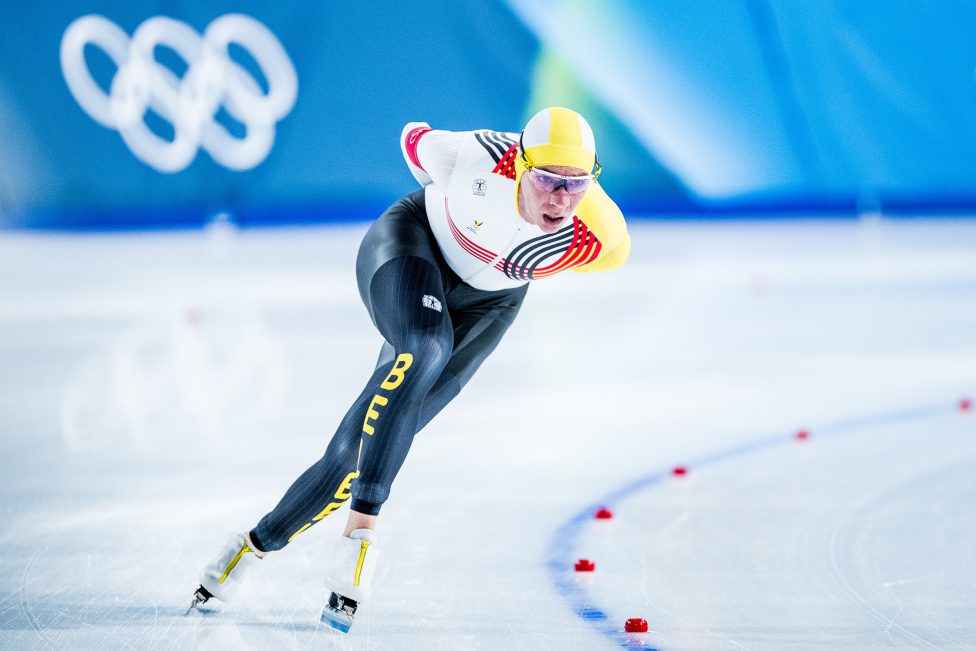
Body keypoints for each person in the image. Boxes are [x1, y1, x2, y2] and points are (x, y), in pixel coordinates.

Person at [185, 106, 630, 631]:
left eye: (576, 184)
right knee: (424, 347)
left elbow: (601, 245)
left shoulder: (600, 235)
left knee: (359, 449)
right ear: (519, 165)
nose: (561, 197)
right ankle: (361, 537)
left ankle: (249, 549)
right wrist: (449, 207)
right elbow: (411, 137)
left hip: (490, 305)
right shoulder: (475, 157)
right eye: (548, 179)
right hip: (412, 247)